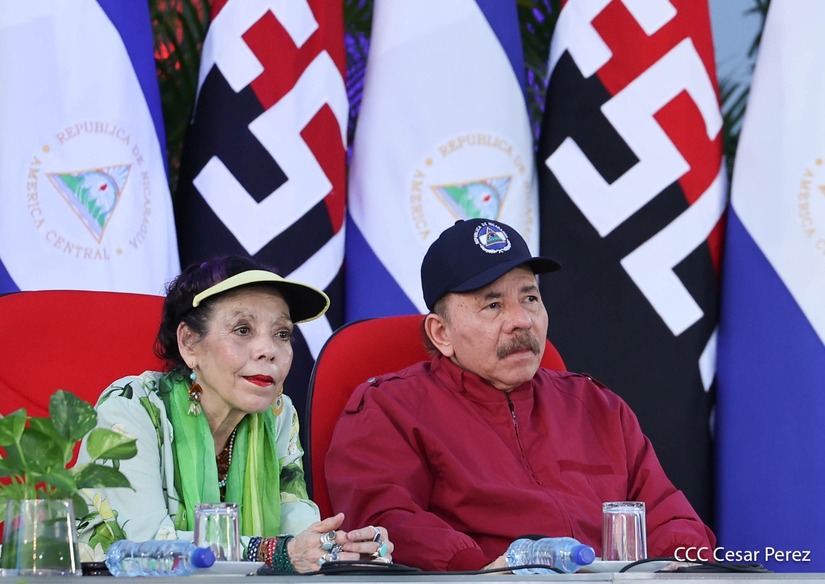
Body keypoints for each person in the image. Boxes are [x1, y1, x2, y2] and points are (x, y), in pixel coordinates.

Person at [324, 218, 714, 571]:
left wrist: (677, 562)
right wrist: (478, 570)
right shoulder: (389, 409)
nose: (522, 320)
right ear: (441, 333)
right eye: (493, 305)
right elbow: (386, 522)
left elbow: (668, 513)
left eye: (530, 298)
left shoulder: (595, 405)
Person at [75, 255, 393, 572]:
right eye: (243, 330)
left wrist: (340, 548)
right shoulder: (132, 407)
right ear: (189, 343)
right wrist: (275, 552)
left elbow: (297, 526)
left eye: (282, 334)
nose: (268, 350)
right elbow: (148, 546)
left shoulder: (278, 413)